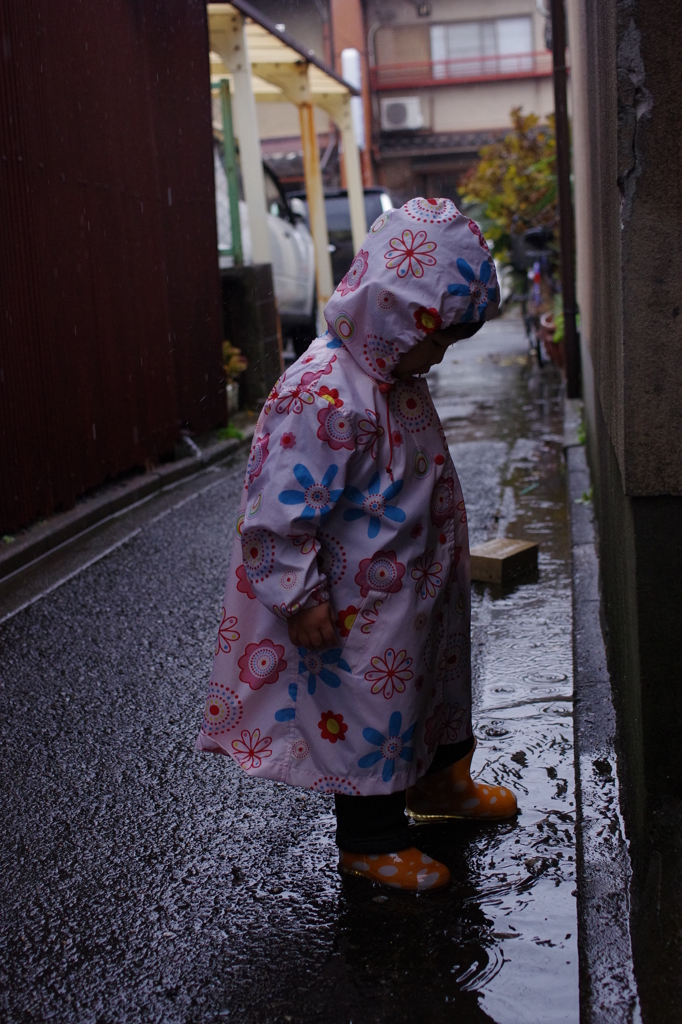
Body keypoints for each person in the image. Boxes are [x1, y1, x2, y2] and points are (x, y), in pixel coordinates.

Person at [196, 197, 518, 891]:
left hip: (413, 588)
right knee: (371, 712)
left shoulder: (393, 373)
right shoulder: (323, 394)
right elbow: (278, 512)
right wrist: (298, 594)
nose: (437, 358)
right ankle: (370, 839)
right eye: (437, 338)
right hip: (354, 607)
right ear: (397, 309)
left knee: (435, 681)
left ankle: (441, 782)